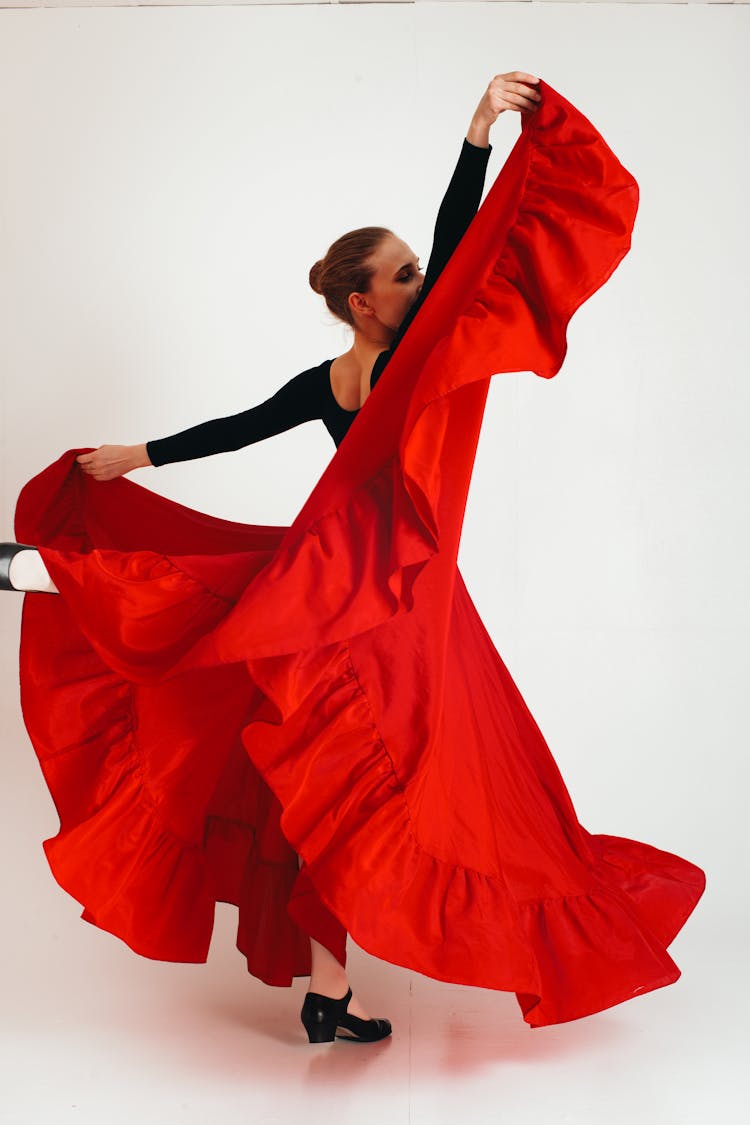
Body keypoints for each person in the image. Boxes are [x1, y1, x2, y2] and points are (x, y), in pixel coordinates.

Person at [1, 72, 543, 1043]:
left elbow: (239, 428)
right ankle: (46, 568)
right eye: (407, 276)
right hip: (384, 592)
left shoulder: (340, 373)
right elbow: (245, 425)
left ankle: (330, 992)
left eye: (420, 271)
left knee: (332, 780)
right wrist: (475, 136)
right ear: (366, 303)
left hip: (348, 577)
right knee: (240, 632)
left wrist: (138, 454)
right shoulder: (392, 356)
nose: (425, 283)